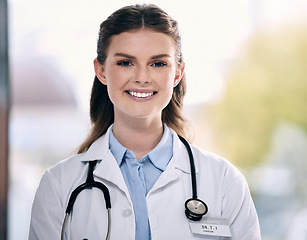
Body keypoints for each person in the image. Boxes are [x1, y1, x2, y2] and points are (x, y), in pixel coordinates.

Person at [29, 4, 261, 240]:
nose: (141, 77)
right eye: (125, 62)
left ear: (177, 73)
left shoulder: (224, 181)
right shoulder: (58, 185)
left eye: (158, 63)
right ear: (101, 71)